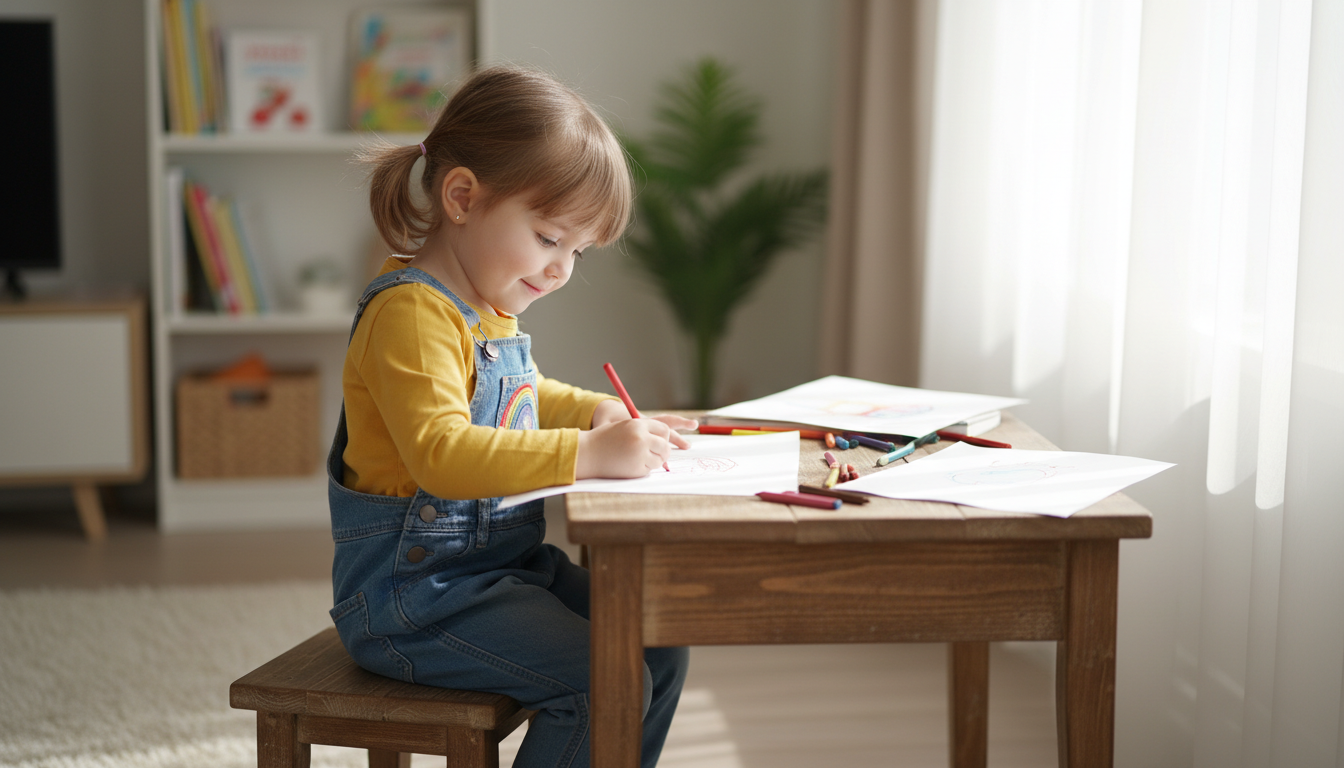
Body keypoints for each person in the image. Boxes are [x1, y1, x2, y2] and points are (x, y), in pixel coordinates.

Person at [326, 65, 695, 768]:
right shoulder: (410, 312)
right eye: (551, 238)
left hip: (500, 571)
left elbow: (523, 394)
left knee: (658, 641)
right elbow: (444, 452)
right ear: (462, 197)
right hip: (415, 599)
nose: (561, 270)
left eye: (577, 253)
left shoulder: (482, 310)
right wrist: (588, 454)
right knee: (600, 679)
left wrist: (593, 410)